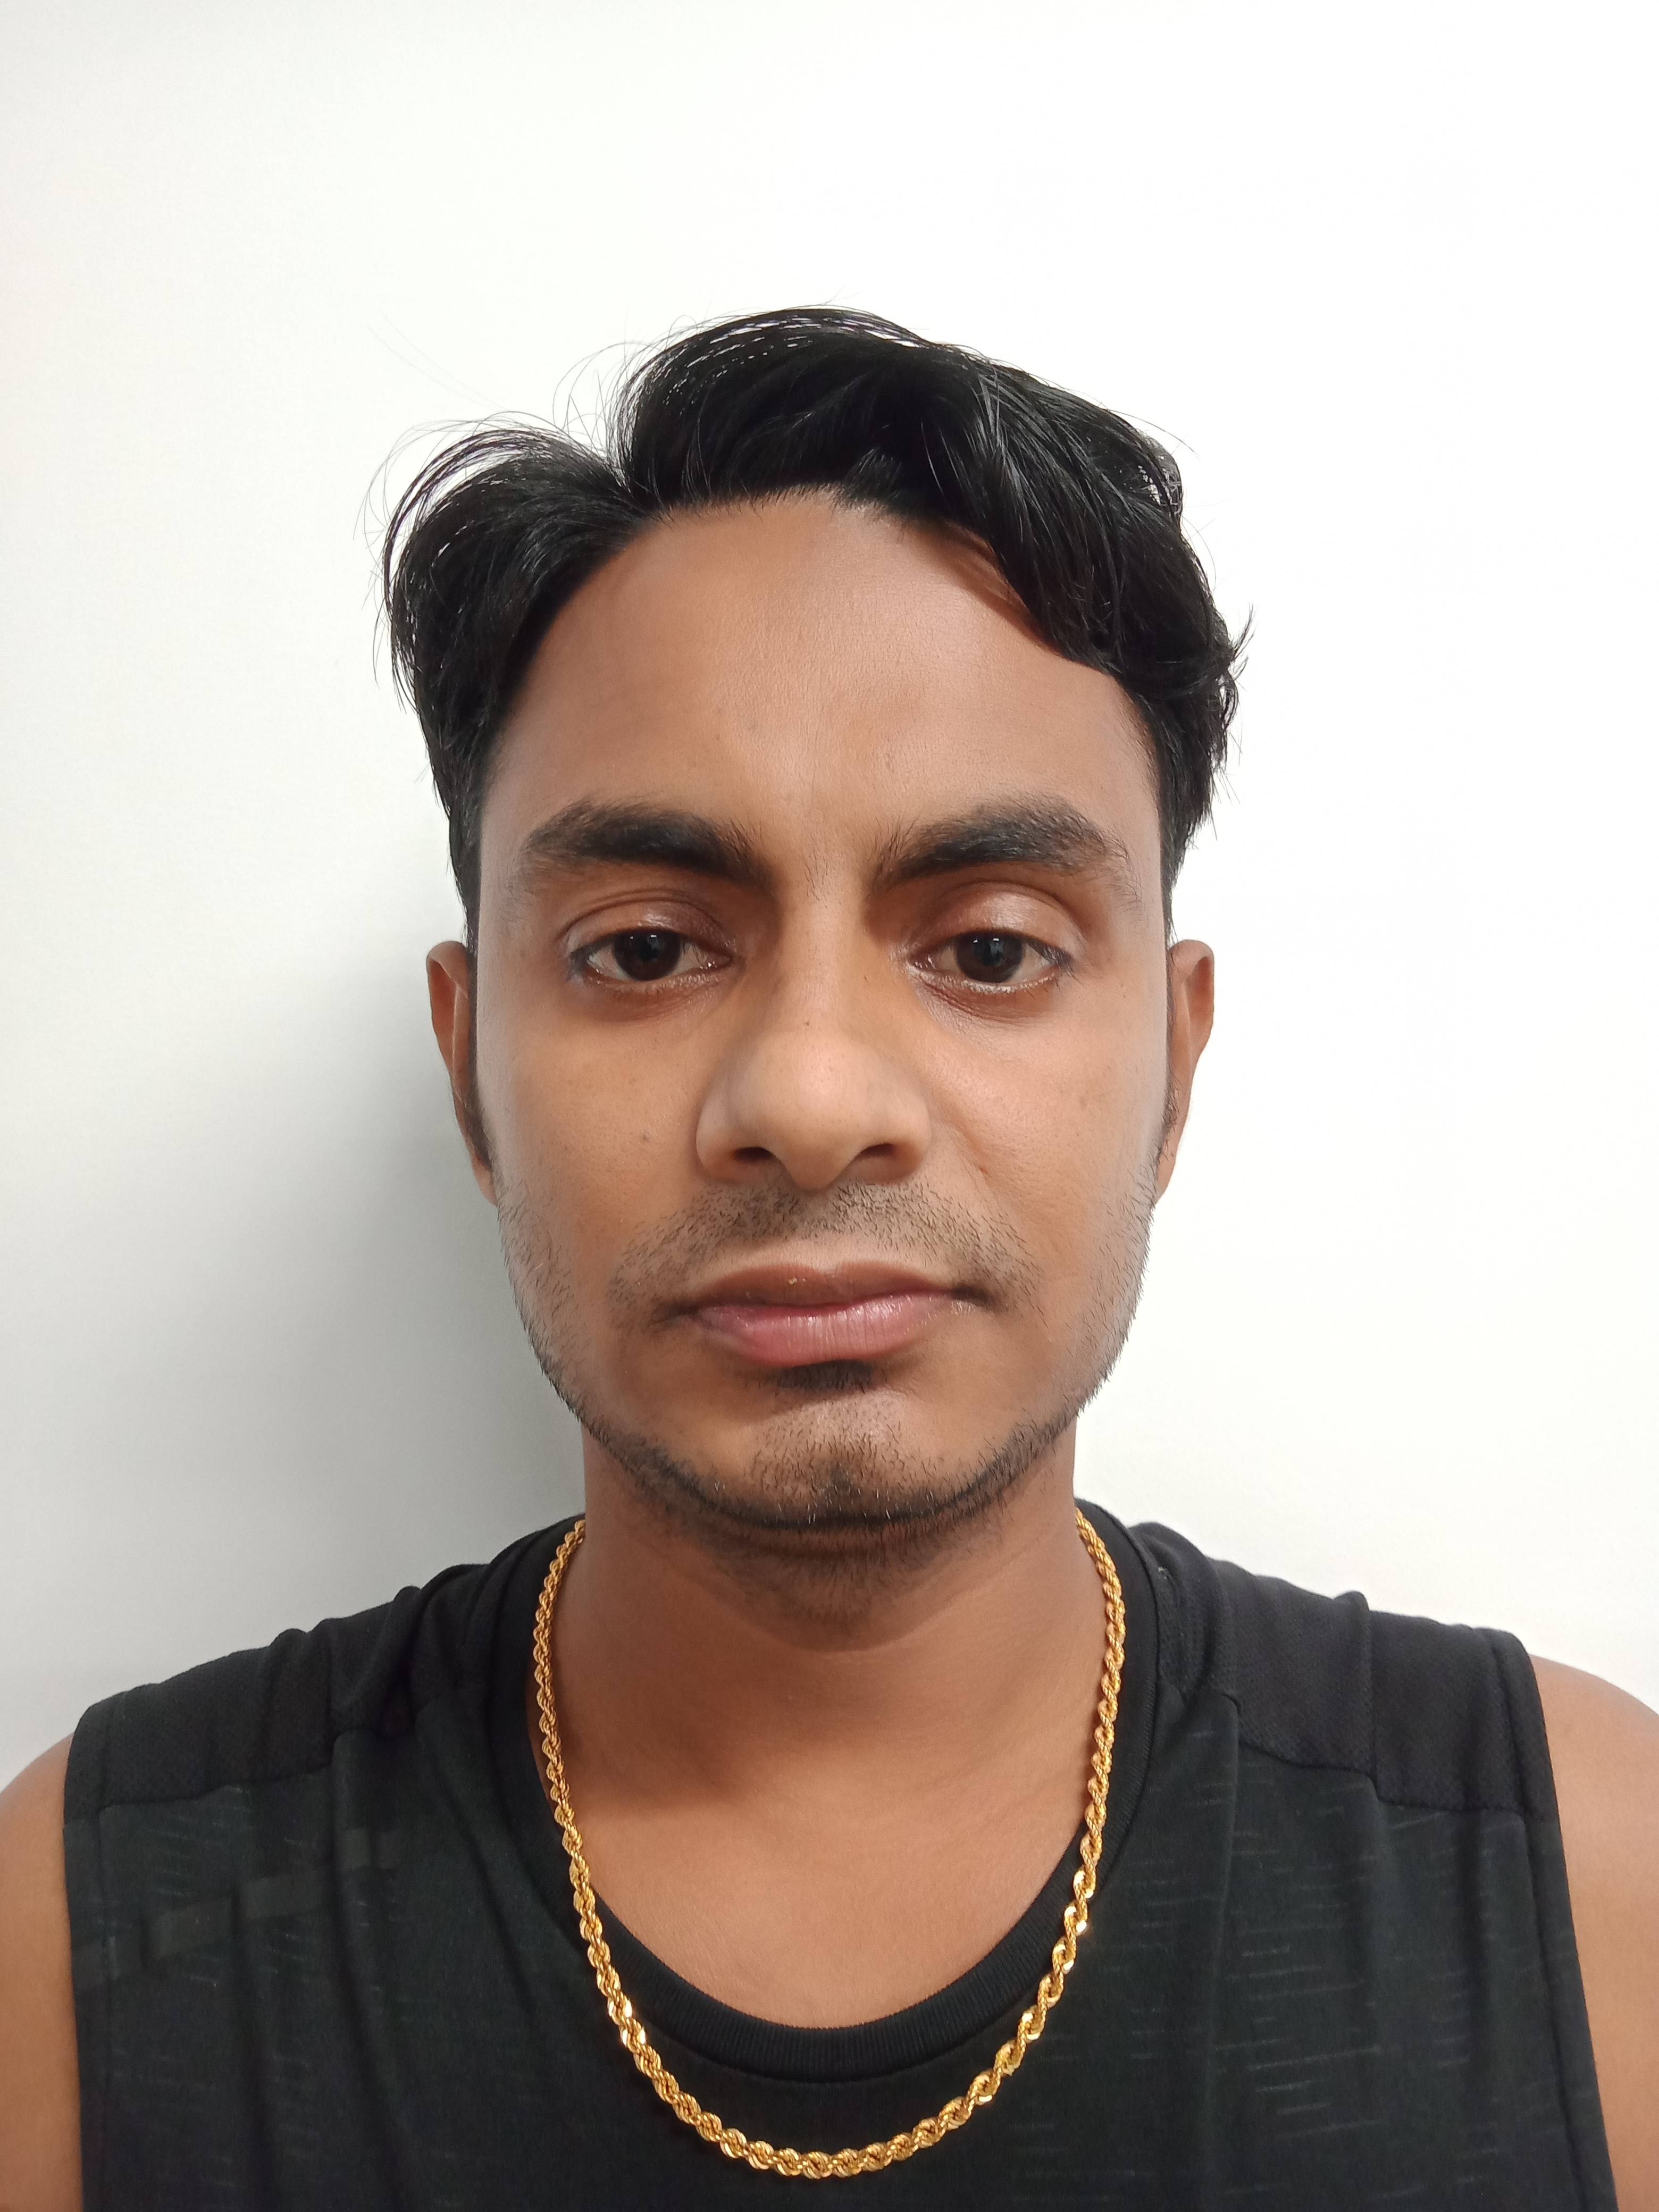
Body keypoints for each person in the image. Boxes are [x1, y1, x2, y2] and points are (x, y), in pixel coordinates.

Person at [1, 308, 1653, 2210]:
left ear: (1175, 1068)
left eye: (991, 949)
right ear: (468, 1072)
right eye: (645, 949)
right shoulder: (83, 1946)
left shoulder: (1589, 1889)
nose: (808, 1096)